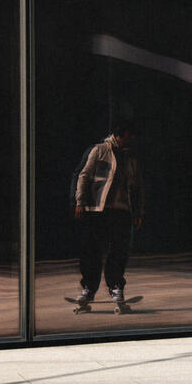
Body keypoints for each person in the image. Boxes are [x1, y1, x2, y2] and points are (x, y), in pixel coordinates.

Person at [73, 121, 145, 313]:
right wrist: (80, 202)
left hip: (122, 210)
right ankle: (88, 288)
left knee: (119, 251)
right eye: (129, 135)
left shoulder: (131, 157)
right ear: (120, 134)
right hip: (98, 209)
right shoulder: (99, 150)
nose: (132, 139)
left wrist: (138, 212)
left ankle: (115, 286)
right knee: (92, 249)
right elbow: (84, 176)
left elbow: (138, 186)